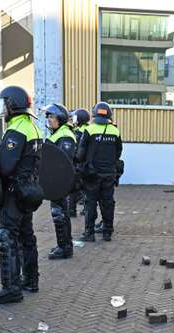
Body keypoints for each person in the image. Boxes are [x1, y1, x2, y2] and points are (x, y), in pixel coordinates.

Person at [0, 85, 43, 303]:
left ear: (12, 105)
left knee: (7, 236)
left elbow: (6, 166)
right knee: (26, 236)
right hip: (29, 190)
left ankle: (10, 288)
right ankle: (30, 280)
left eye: (4, 103)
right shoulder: (33, 127)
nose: (2, 108)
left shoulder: (16, 130)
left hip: (14, 191)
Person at [77, 102, 122, 242]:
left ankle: (89, 233)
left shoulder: (89, 130)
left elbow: (80, 153)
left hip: (92, 174)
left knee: (90, 203)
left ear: (94, 114)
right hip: (109, 173)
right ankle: (107, 232)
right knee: (107, 202)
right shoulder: (115, 131)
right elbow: (118, 152)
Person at [43, 103, 77, 259]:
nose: (49, 120)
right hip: (54, 182)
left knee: (59, 214)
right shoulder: (57, 134)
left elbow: (63, 163)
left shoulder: (65, 136)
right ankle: (65, 245)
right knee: (61, 214)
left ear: (60, 119)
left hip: (60, 184)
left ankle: (64, 248)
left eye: (52, 117)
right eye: (48, 117)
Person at [69, 108, 90, 218]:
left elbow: (75, 149)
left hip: (79, 164)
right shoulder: (89, 129)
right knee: (87, 188)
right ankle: (86, 209)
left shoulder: (77, 132)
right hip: (88, 164)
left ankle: (71, 210)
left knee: (73, 188)